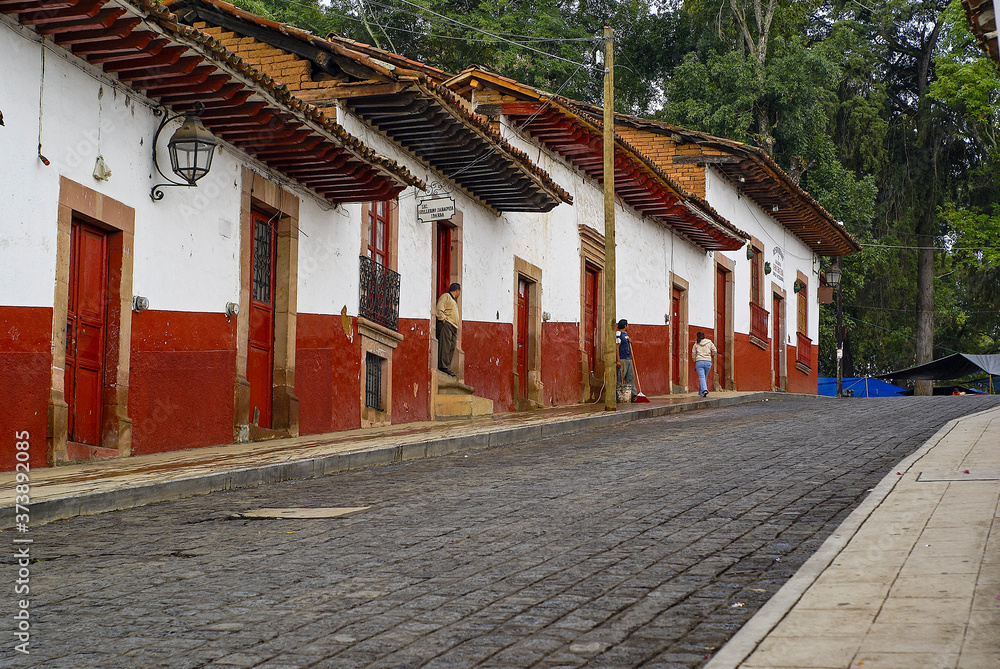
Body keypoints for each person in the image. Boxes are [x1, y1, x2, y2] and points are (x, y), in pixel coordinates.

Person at [436, 282, 461, 377]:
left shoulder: (452, 299)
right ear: (457, 290)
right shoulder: (446, 296)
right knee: (445, 345)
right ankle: (443, 366)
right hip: (447, 324)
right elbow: (439, 308)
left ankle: (446, 365)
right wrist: (443, 320)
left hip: (453, 326)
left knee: (451, 346)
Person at [691, 331, 717, 398]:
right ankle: (701, 392)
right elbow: (715, 350)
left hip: (699, 361)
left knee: (702, 377)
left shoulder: (696, 344)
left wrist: (695, 360)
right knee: (704, 377)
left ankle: (704, 390)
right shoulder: (709, 342)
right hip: (708, 361)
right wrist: (712, 356)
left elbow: (693, 354)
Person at [616, 319, 636, 400]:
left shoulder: (626, 334)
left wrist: (629, 341)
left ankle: (632, 396)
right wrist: (618, 360)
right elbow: (616, 347)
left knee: (630, 377)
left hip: (629, 359)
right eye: (627, 324)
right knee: (620, 378)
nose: (628, 326)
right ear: (625, 326)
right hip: (622, 359)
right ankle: (618, 396)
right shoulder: (618, 334)